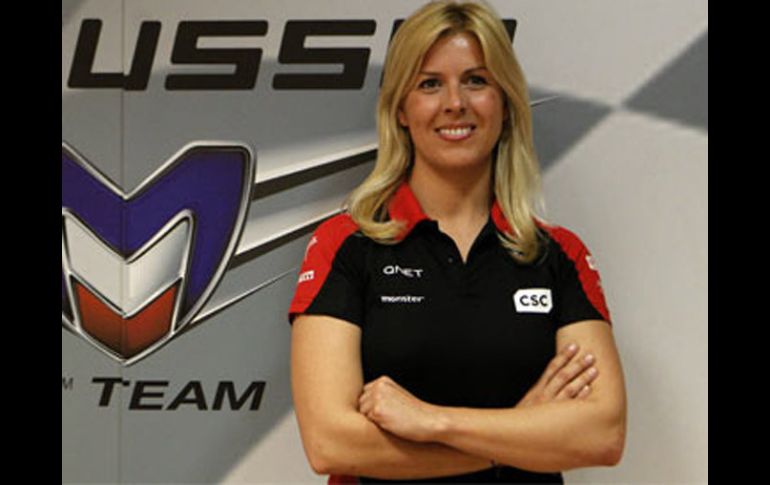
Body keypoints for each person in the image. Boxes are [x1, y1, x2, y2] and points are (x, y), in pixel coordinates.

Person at [288, 1, 627, 483]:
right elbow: (331, 444)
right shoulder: (346, 245)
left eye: (476, 81)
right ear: (401, 109)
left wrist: (434, 421)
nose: (455, 103)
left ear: (504, 103)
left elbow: (602, 434)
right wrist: (518, 435)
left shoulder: (557, 255)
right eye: (430, 84)